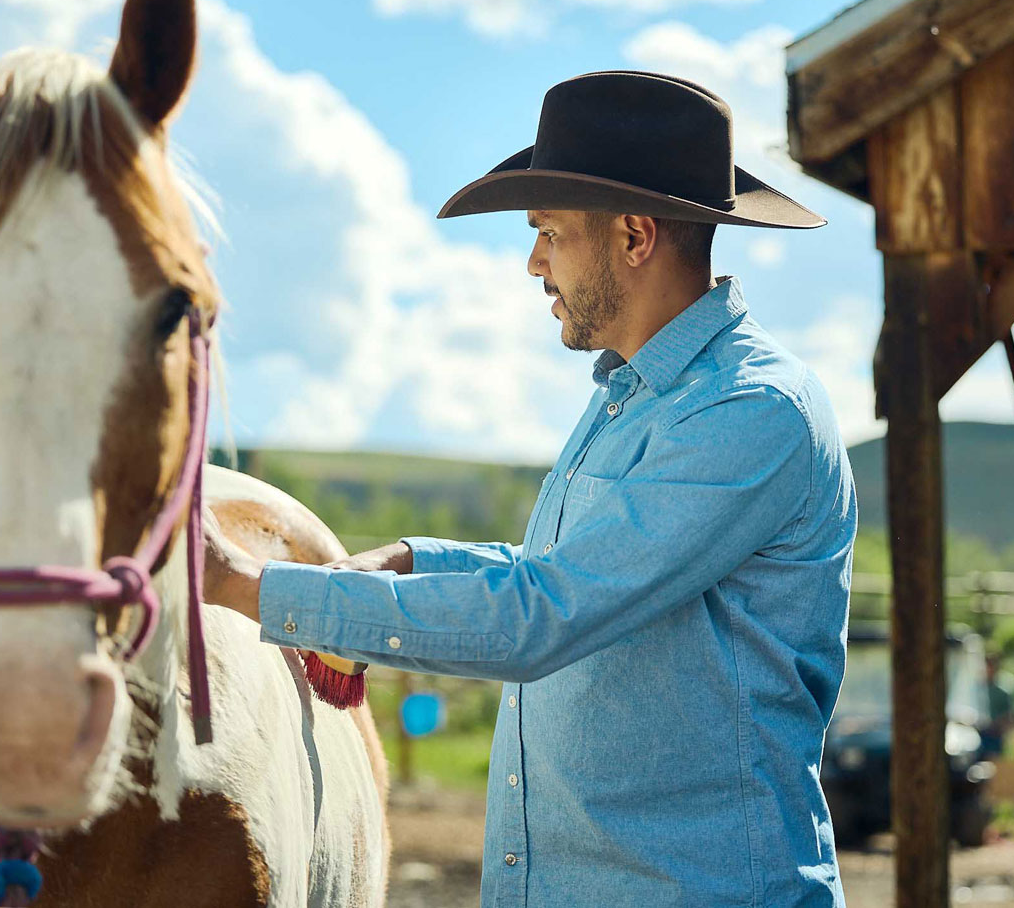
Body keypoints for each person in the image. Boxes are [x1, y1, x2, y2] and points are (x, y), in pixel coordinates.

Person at [202, 70, 858, 907]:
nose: (532, 261)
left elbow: (544, 614)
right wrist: (412, 562)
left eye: (548, 231)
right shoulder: (633, 397)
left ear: (633, 236)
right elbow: (565, 572)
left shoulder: (751, 411)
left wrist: (247, 587)